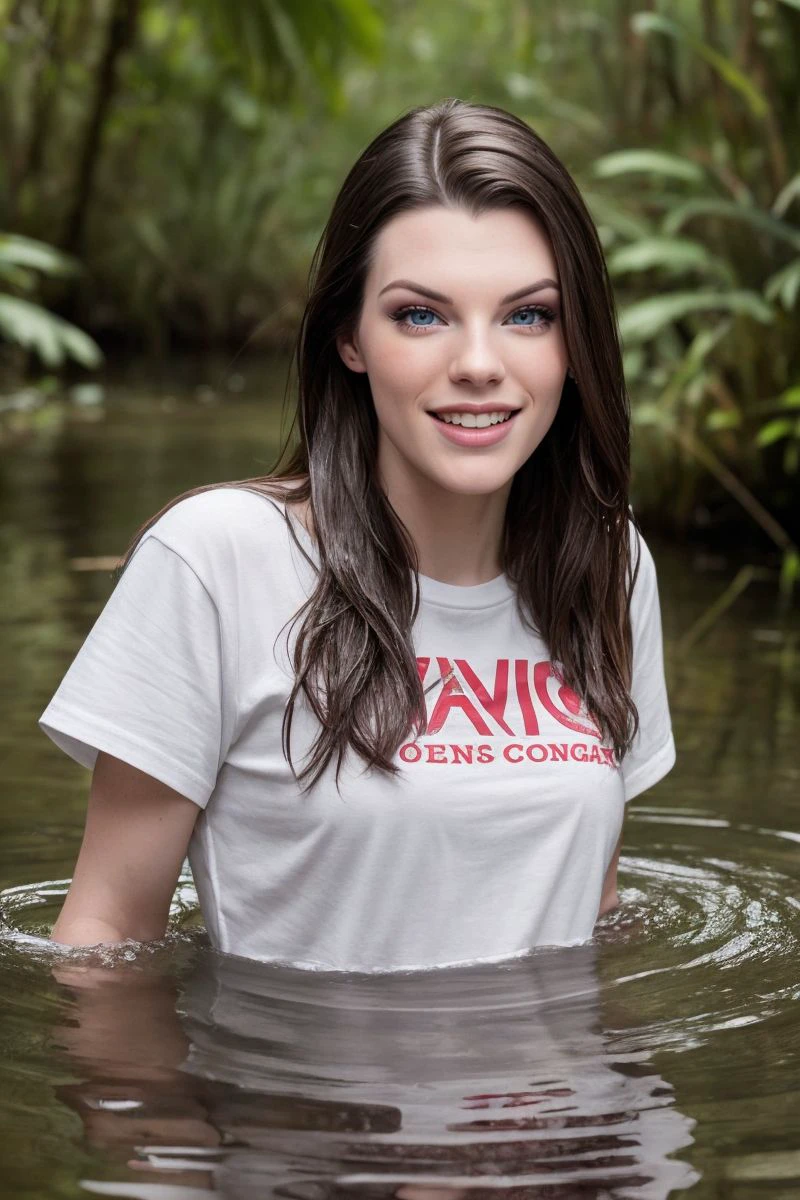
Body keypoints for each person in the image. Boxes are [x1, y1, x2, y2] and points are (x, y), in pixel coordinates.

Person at [39, 97, 676, 972]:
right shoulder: (219, 561)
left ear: (577, 341)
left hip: (573, 1106)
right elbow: (104, 936)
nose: (480, 363)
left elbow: (594, 908)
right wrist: (160, 1115)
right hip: (313, 1101)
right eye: (423, 314)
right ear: (349, 336)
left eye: (529, 314)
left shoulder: (606, 562)